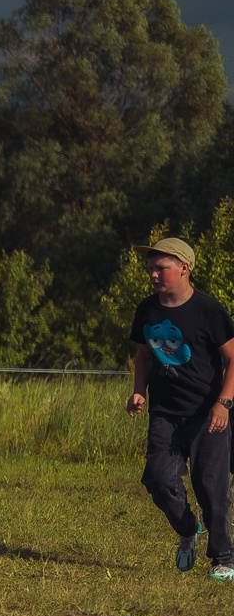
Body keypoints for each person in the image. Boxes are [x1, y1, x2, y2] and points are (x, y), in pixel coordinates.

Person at [124, 234, 234, 579]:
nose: (153, 274)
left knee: (211, 487)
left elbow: (233, 358)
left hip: (207, 414)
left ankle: (223, 558)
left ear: (184, 268)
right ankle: (189, 529)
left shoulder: (209, 310)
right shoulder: (147, 309)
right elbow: (144, 355)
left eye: (161, 268)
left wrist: (223, 403)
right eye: (150, 269)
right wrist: (138, 391)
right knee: (158, 480)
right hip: (165, 414)